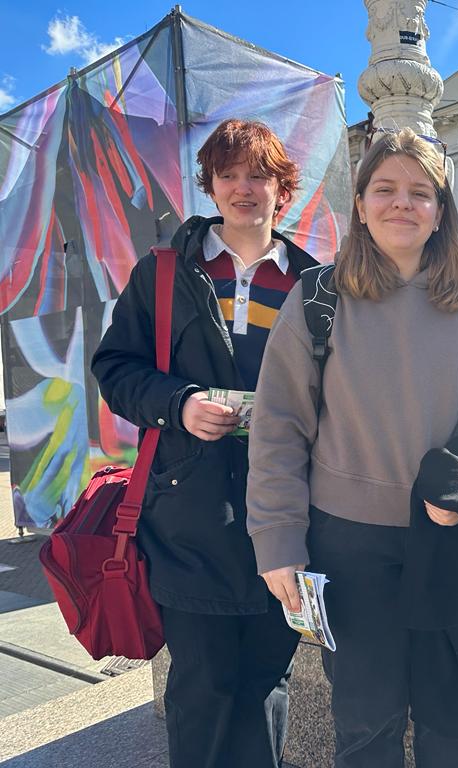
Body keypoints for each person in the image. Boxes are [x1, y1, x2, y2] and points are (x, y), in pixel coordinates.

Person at [245, 128, 458, 768]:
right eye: (385, 188)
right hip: (349, 548)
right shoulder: (318, 299)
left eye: (420, 192)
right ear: (362, 204)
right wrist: (278, 541)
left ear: (441, 212)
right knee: (366, 723)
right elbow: (279, 426)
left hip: (448, 546)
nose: (403, 202)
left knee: (454, 724)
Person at [91, 119, 317, 768]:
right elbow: (116, 368)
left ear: (283, 189)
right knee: (201, 688)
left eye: (258, 175)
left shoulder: (313, 283)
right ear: (210, 186)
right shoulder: (164, 273)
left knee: (268, 686)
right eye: (228, 174)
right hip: (188, 520)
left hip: (284, 515)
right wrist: (179, 403)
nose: (243, 187)